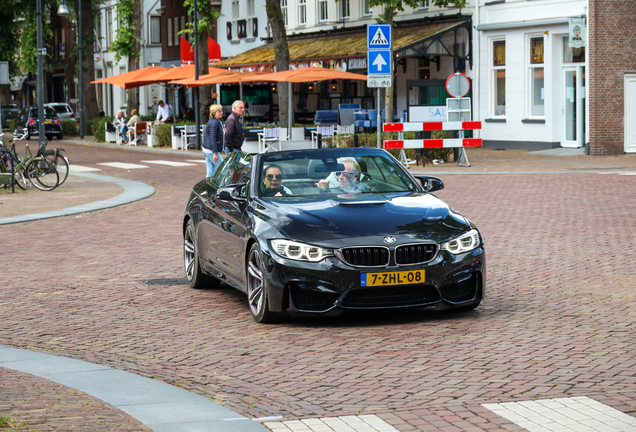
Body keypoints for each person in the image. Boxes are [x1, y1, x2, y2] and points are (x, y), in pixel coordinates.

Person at [203, 104, 225, 178]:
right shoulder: (214, 122)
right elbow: (212, 138)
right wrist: (215, 153)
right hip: (211, 151)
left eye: (221, 110)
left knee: (210, 172)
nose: (221, 112)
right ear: (214, 112)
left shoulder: (216, 121)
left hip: (208, 149)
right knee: (224, 169)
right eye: (219, 111)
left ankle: (207, 187)